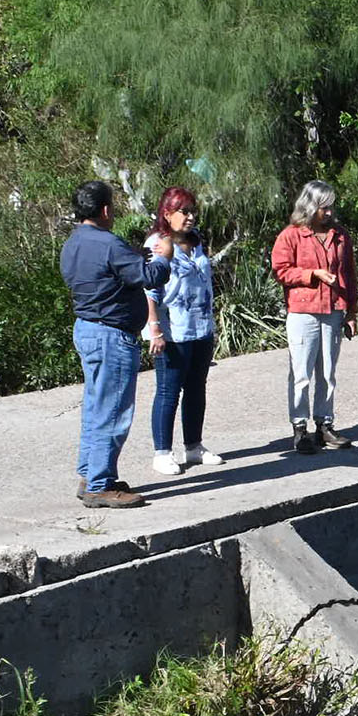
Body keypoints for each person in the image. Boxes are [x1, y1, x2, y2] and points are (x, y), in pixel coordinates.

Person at [59, 179, 172, 508]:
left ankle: (89, 473)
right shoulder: (109, 244)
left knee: (95, 407)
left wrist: (132, 259)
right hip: (112, 335)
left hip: (86, 329)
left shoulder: (72, 244)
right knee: (112, 411)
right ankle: (99, 484)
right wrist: (163, 257)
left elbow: (100, 276)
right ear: (106, 209)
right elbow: (149, 277)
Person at [270, 180, 357, 454]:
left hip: (332, 311)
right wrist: (312, 274)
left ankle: (324, 425)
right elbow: (280, 270)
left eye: (331, 207)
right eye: (323, 207)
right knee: (301, 374)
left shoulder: (340, 236)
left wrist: (351, 311)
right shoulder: (291, 235)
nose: (329, 213)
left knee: (328, 372)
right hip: (302, 312)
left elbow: (349, 275)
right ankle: (299, 429)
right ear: (310, 206)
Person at [143, 187, 223, 475]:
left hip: (200, 327)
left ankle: (194, 446)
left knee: (196, 388)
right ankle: (162, 452)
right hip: (172, 330)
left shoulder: (197, 241)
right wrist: (155, 329)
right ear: (167, 214)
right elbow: (149, 287)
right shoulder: (157, 244)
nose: (190, 217)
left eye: (192, 211)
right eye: (183, 211)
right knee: (168, 390)